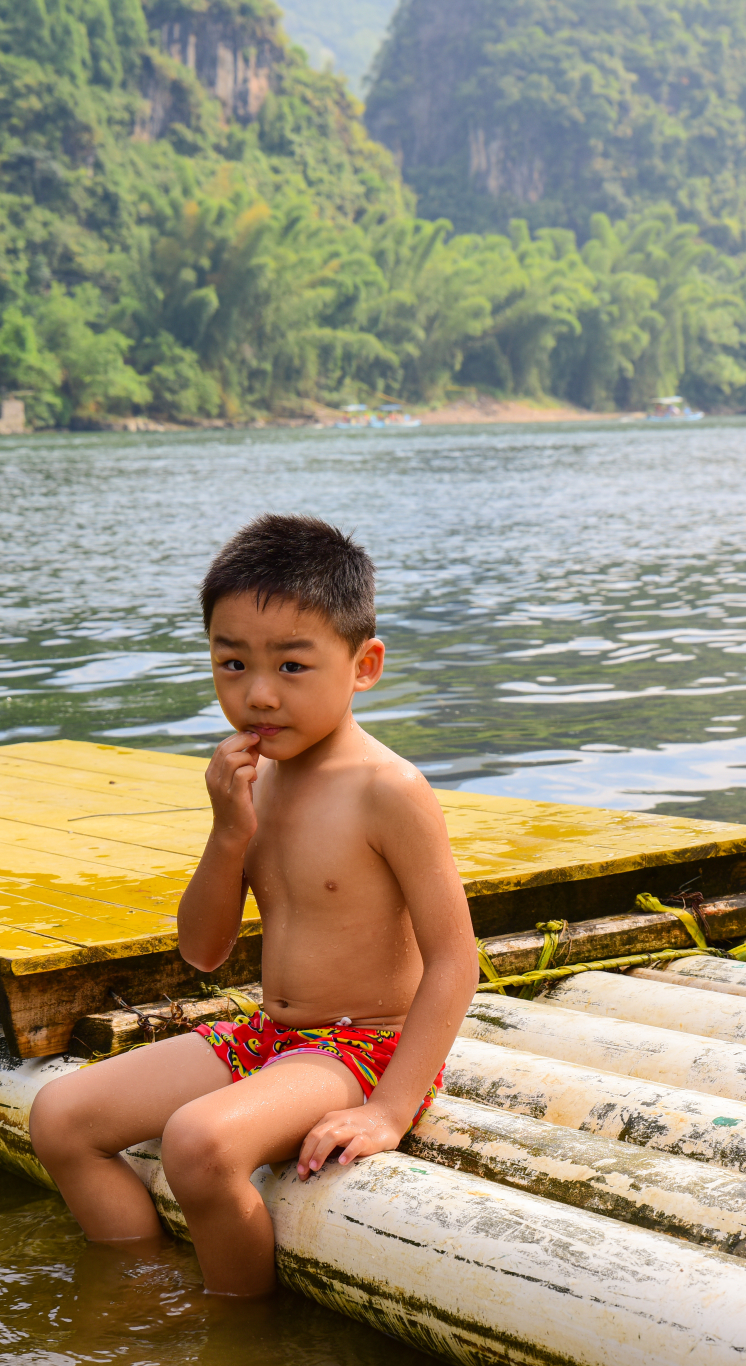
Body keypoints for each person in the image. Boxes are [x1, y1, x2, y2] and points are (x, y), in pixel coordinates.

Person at [28, 514, 481, 1298]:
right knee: (60, 1116)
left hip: (361, 1050)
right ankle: (142, 1288)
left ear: (363, 665)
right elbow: (202, 952)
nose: (258, 694)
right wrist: (228, 830)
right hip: (268, 1035)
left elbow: (455, 960)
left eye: (293, 666)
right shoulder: (254, 780)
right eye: (232, 663)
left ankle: (236, 1329)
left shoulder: (389, 791)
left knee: (197, 1141)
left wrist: (389, 1110)